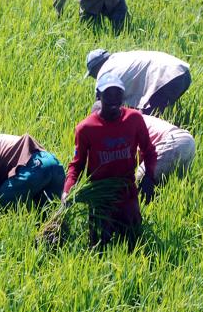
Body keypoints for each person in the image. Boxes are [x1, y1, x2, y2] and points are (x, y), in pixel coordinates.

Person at [63, 74, 157, 249]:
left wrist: (149, 177)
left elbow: (149, 151)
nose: (113, 99)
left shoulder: (134, 119)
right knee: (99, 246)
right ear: (98, 95)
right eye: (108, 94)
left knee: (134, 244)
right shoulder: (86, 128)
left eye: (117, 93)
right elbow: (77, 164)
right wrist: (67, 191)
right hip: (100, 198)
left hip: (127, 193)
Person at [85, 48, 191, 116]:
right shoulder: (120, 57)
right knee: (146, 113)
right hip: (183, 73)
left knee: (146, 120)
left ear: (95, 69)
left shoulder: (104, 74)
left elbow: (100, 109)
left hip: (166, 78)